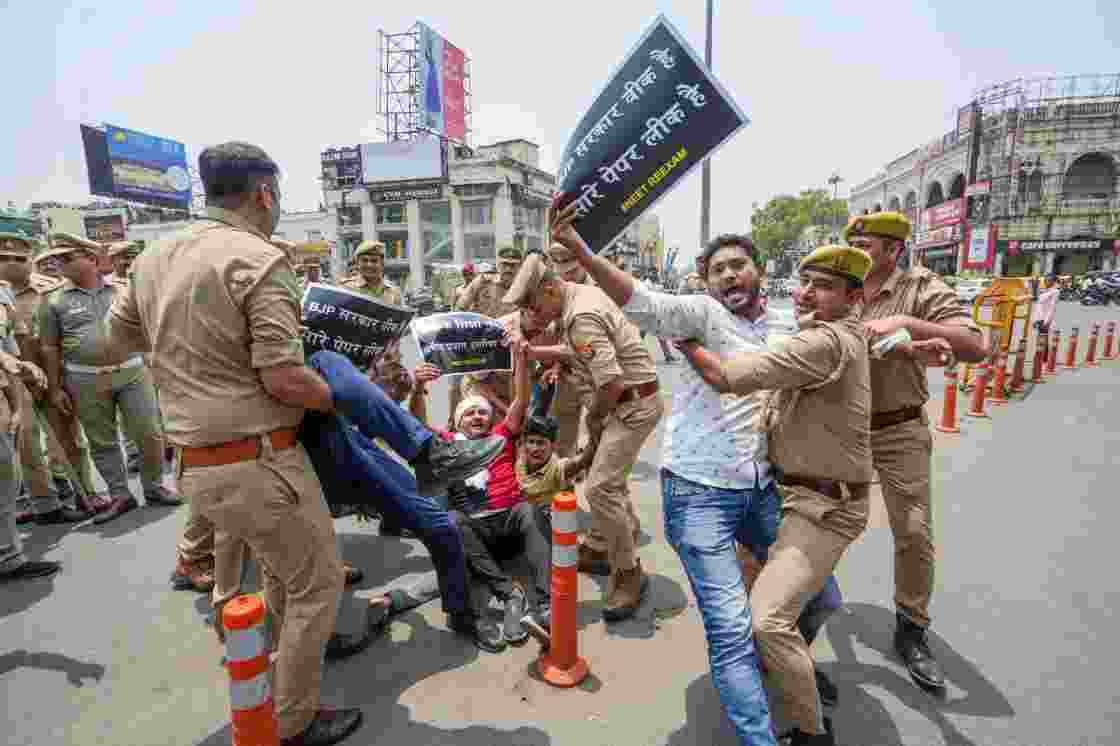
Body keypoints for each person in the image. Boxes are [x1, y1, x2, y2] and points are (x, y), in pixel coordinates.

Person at [89, 141, 365, 746]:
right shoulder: (258, 260)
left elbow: (115, 341)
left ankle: (265, 684)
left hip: (195, 464)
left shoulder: (153, 257)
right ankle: (290, 722)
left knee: (278, 572)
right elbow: (284, 378)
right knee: (317, 584)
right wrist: (342, 394)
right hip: (260, 463)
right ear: (264, 192)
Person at [550, 221, 789, 744]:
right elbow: (641, 302)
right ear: (706, 283)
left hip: (762, 489)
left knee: (817, 600)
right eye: (718, 269)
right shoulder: (701, 314)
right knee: (729, 626)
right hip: (699, 491)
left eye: (738, 265)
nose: (730, 275)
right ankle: (758, 735)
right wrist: (585, 253)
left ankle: (774, 664)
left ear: (760, 271)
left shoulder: (783, 328)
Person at [845, 212, 986, 690]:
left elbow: (973, 346)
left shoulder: (922, 287)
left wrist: (906, 325)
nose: (856, 250)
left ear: (892, 250)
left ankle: (912, 630)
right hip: (839, 427)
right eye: (853, 241)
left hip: (898, 428)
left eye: (865, 243)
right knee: (819, 522)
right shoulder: (840, 281)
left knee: (913, 530)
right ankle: (804, 616)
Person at [505, 249, 661, 622]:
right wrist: (534, 350)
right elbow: (574, 351)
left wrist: (595, 422)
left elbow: (610, 382)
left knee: (599, 488)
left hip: (629, 407)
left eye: (534, 307)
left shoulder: (580, 316)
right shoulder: (575, 297)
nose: (534, 316)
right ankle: (597, 545)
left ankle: (628, 573)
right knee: (604, 478)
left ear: (549, 289)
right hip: (626, 401)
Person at [38, 233, 181, 525]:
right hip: (84, 379)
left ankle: (154, 487)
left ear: (90, 259)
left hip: (132, 371)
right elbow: (49, 347)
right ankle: (120, 495)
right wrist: (55, 388)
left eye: (67, 258)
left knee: (149, 432)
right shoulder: (52, 300)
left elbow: (148, 327)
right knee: (101, 441)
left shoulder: (123, 290)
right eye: (58, 259)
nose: (60, 264)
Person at [434, 339, 554, 651]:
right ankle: (509, 593)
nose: (477, 417)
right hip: (477, 531)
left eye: (483, 413)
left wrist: (520, 362)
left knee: (530, 510)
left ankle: (545, 603)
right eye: (470, 413)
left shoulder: (501, 436)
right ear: (459, 421)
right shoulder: (449, 443)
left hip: (510, 522)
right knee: (453, 520)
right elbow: (415, 427)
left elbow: (520, 402)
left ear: (491, 420)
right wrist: (419, 388)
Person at [0, 233, 89, 524]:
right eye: (3, 259)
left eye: (18, 259)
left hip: (51, 377)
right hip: (11, 382)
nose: (11, 265)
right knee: (27, 445)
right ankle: (45, 504)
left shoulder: (52, 290)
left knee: (69, 439)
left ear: (30, 261)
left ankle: (85, 494)